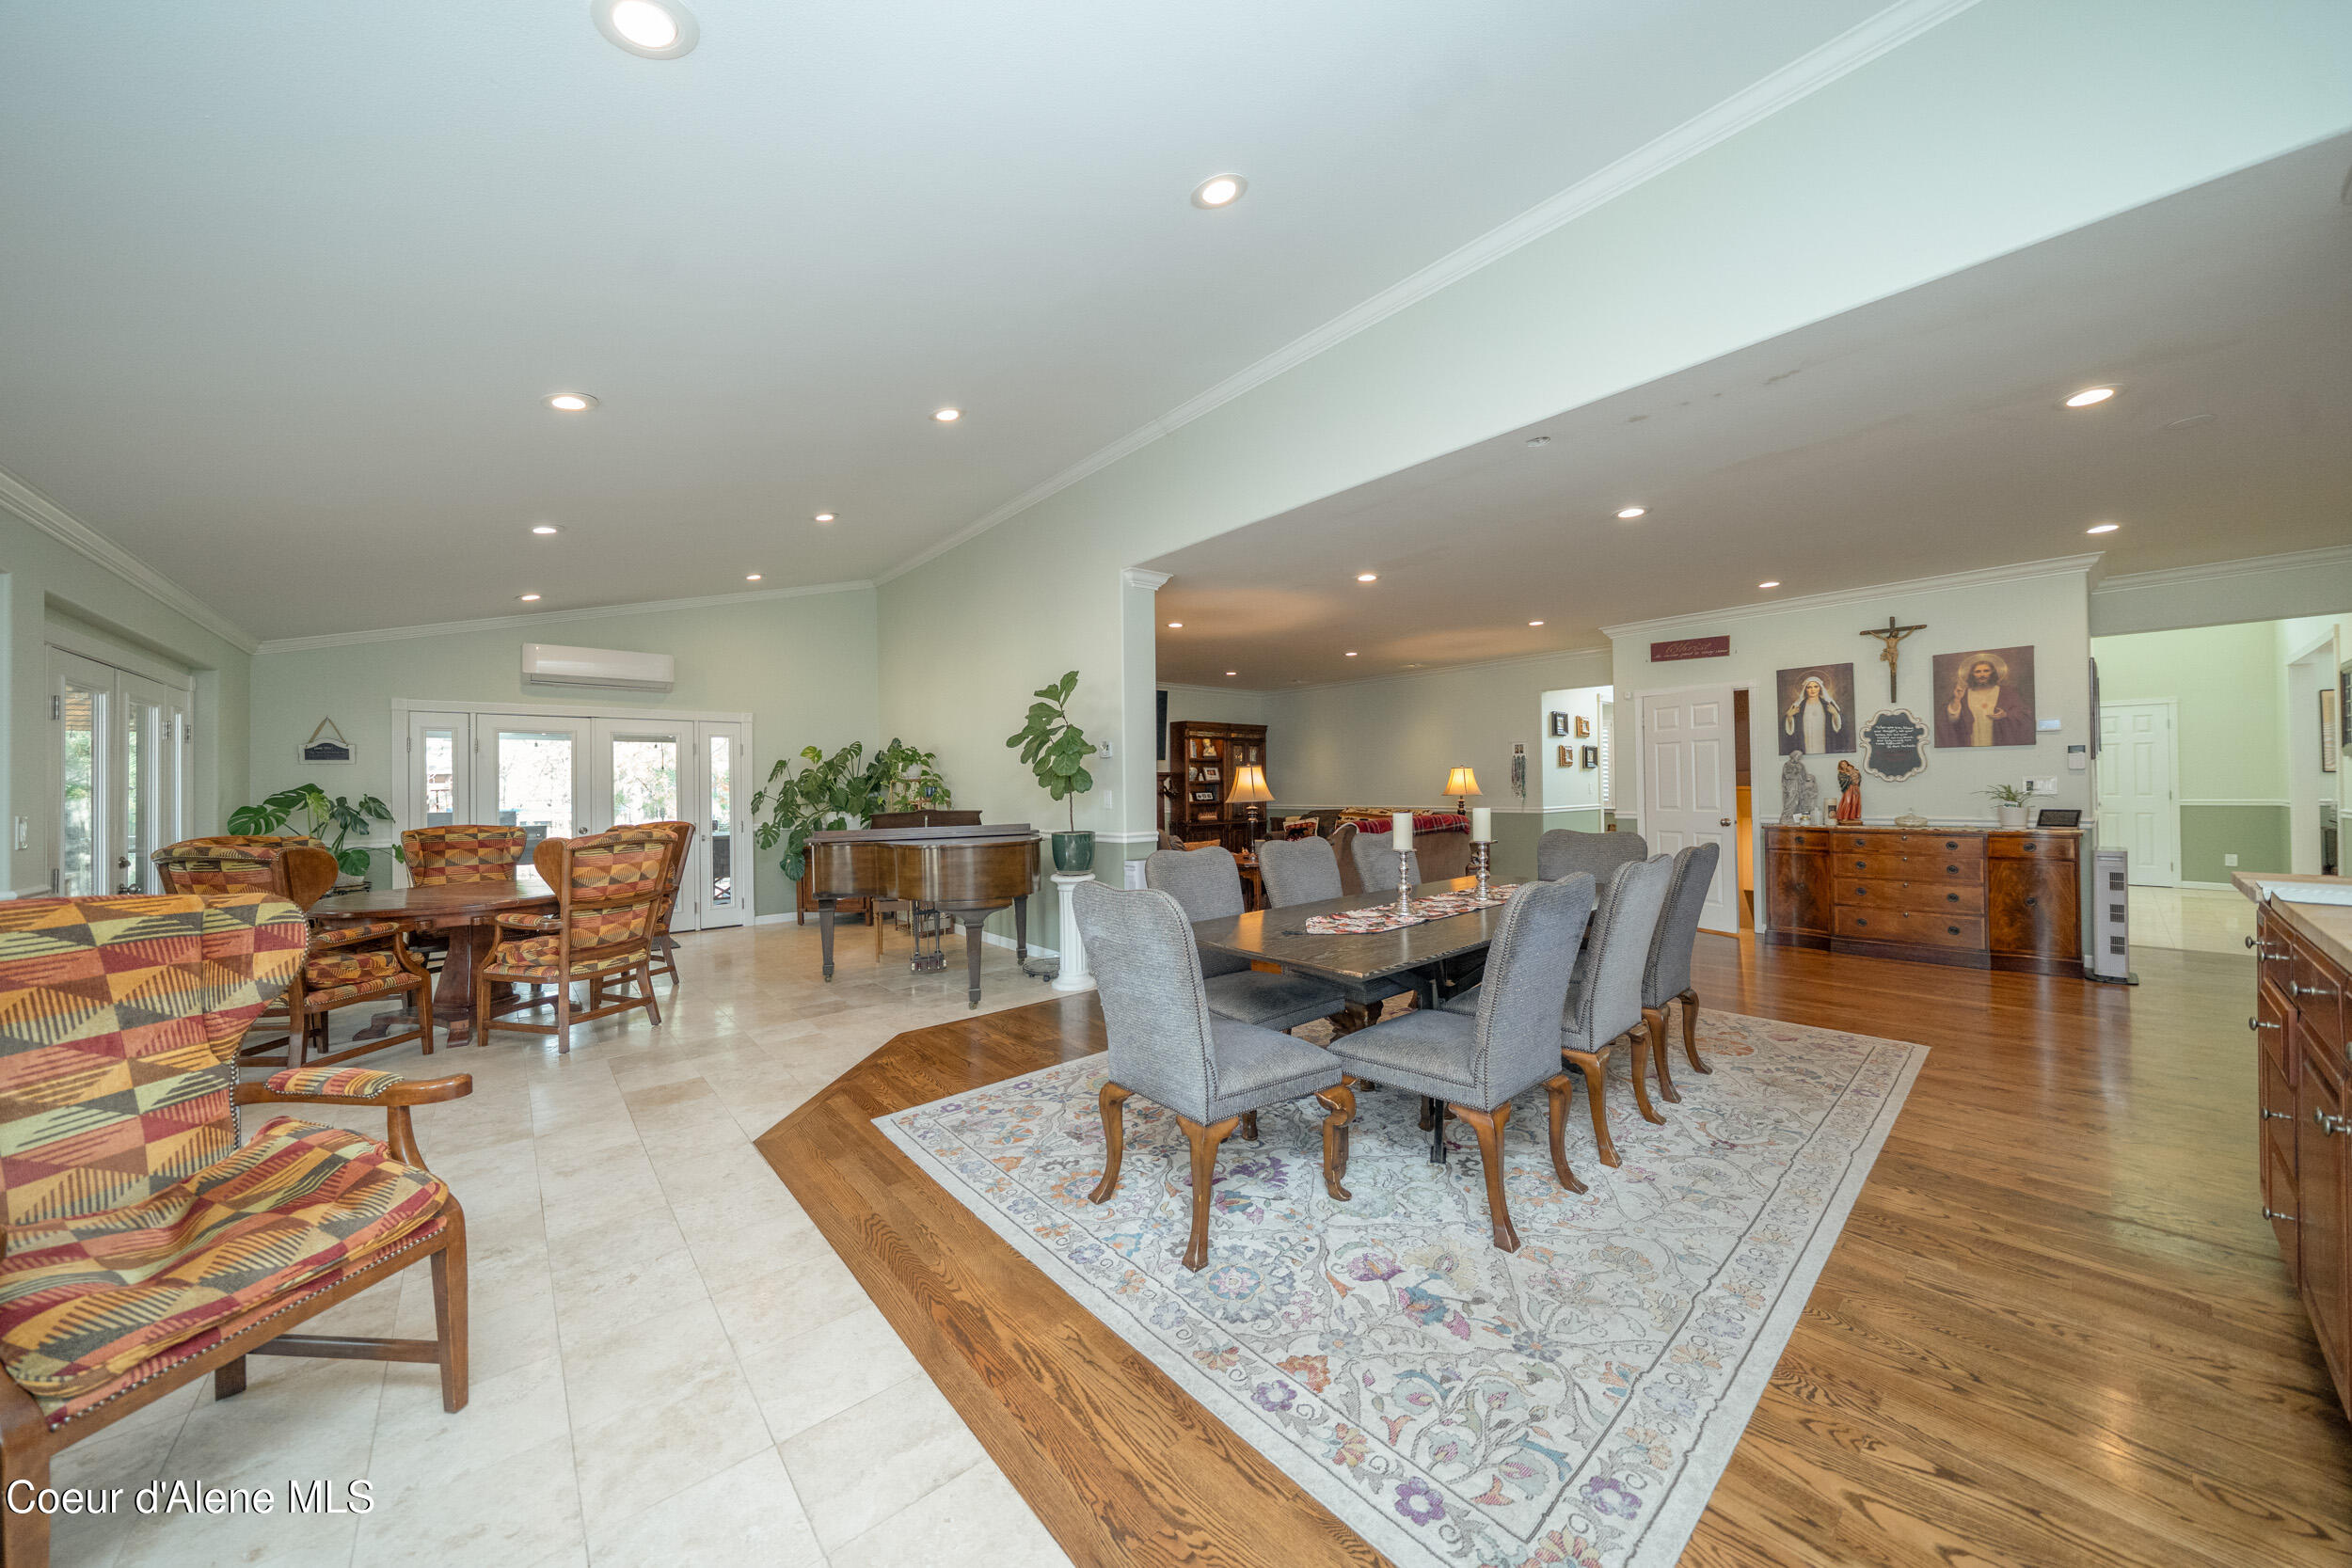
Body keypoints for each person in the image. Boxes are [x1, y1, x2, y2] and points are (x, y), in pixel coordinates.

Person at [1938, 651, 2033, 747]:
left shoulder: (2008, 692)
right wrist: (1957, 699)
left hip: (1999, 740)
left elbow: (2024, 713)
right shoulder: (1964, 693)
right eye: (1978, 672)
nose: (1982, 674)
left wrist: (2005, 715)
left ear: (1992, 672)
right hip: (1972, 741)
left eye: (1986, 671)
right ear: (1972, 674)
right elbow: (1952, 720)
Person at [1783, 673, 1846, 755]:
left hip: (1822, 740)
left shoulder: (1827, 704)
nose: (1813, 690)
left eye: (1816, 686)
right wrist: (1789, 716)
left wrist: (1835, 714)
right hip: (1806, 741)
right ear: (1805, 689)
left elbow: (1839, 728)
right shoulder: (1799, 706)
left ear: (1820, 688)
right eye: (1809, 687)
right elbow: (1790, 731)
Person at [1835, 759, 1863, 824]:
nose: (1844, 765)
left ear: (1847, 764)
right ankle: (1844, 816)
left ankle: (1852, 817)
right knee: (1847, 801)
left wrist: (1856, 776)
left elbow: (1859, 777)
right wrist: (1849, 777)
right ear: (1840, 766)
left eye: (1845, 764)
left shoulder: (1853, 770)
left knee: (1855, 802)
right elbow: (1842, 780)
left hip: (1855, 788)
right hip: (1848, 788)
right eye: (1842, 764)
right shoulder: (1841, 773)